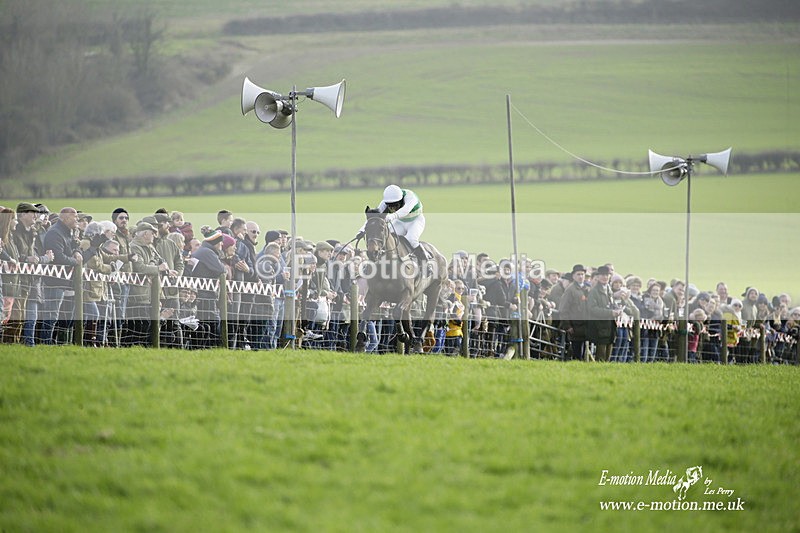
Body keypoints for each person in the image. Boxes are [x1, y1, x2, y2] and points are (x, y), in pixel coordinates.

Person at [358, 184, 428, 266]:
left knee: (411, 239)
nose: (393, 208)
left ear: (401, 200)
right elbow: (373, 219)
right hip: (400, 222)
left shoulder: (410, 197)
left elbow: (405, 210)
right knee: (389, 239)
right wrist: (361, 230)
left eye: (395, 205)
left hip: (415, 221)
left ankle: (426, 263)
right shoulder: (384, 203)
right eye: (390, 206)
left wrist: (391, 216)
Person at [587, 265, 622, 362]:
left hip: (609, 326)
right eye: (602, 275)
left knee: (608, 355)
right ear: (598, 277)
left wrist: (617, 309)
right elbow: (592, 309)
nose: (605, 277)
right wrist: (610, 313)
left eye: (607, 275)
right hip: (599, 327)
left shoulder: (609, 290)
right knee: (601, 356)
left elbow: (611, 304)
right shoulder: (594, 291)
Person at [558, 264, 589, 361]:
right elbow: (563, 309)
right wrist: (567, 326)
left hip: (585, 326)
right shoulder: (570, 290)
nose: (581, 276)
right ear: (573, 276)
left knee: (584, 352)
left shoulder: (587, 289)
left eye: (582, 274)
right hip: (575, 326)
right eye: (578, 274)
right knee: (577, 353)